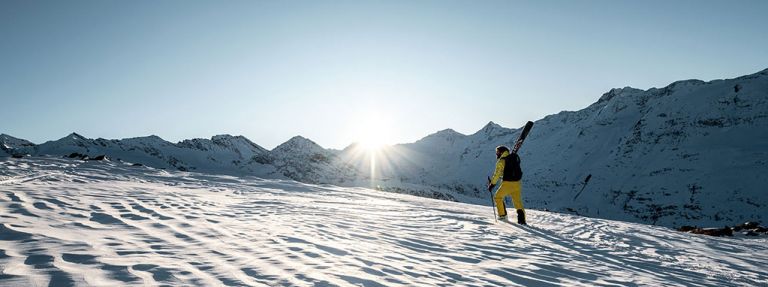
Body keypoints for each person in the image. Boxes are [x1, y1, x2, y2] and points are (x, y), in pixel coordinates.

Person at [487, 145, 526, 224]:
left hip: (508, 183)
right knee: (517, 201)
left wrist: (492, 184)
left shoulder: (502, 161)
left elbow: (497, 174)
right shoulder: (513, 157)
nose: (496, 154)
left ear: (501, 152)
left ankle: (502, 215)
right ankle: (522, 220)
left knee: (498, 197)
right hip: (517, 183)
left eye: (497, 152)